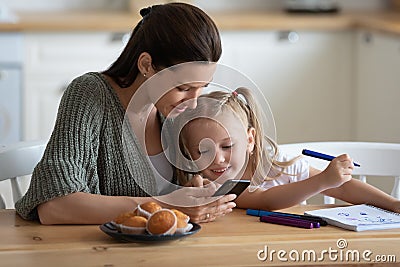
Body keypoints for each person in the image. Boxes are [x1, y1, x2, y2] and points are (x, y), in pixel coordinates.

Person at [15, 3, 236, 225]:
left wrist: (194, 194)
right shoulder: (89, 94)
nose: (193, 102)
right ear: (146, 65)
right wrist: (166, 205)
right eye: (183, 88)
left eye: (202, 87)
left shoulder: (174, 113)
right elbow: (54, 206)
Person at [174, 87, 400, 213]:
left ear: (250, 140)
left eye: (227, 146)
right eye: (203, 151)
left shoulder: (279, 165)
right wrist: (323, 181)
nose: (218, 160)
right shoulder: (211, 184)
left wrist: (393, 204)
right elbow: (266, 201)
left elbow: (342, 189)